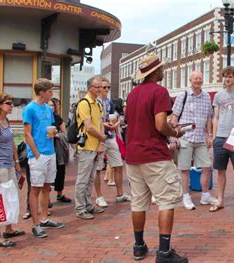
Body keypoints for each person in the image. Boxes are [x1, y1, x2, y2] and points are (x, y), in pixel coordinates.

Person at [125, 53, 187, 262]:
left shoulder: (132, 93)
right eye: (161, 68)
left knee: (138, 202)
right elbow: (160, 125)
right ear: (155, 71)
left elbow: (134, 122)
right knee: (166, 201)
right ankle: (164, 251)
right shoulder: (160, 91)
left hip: (133, 155)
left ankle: (139, 245)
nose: (163, 70)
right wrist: (176, 132)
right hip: (154, 154)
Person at [23, 78, 65, 238]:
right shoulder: (30, 109)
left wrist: (53, 132)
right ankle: (35, 224)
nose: (51, 94)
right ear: (42, 92)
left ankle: (44, 218)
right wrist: (37, 154)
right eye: (49, 91)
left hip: (50, 152)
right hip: (38, 154)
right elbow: (27, 133)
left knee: (47, 187)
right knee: (35, 189)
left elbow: (49, 128)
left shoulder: (48, 109)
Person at [170, 71, 216, 210]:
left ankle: (205, 195)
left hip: (201, 138)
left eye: (200, 78)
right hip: (186, 138)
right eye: (195, 78)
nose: (198, 81)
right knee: (184, 169)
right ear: (190, 80)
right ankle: (186, 196)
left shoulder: (207, 97)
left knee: (207, 167)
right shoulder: (183, 96)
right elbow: (174, 118)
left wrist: (209, 135)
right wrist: (173, 137)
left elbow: (209, 117)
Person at [0, 93, 25, 247]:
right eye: (8, 103)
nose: (11, 106)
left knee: (10, 197)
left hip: (8, 165)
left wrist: (16, 162)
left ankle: (9, 228)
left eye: (12, 103)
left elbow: (12, 143)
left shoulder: (5, 121)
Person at [210, 66, 234, 213]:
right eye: (225, 76)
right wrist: (214, 137)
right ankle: (220, 199)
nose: (227, 79)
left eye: (230, 76)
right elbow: (216, 118)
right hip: (221, 136)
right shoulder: (218, 96)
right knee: (220, 170)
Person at [74, 76, 108, 220]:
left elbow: (100, 123)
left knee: (90, 178)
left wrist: (100, 142)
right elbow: (89, 127)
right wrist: (102, 138)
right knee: (83, 179)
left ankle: (88, 205)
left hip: (95, 146)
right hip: (86, 147)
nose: (101, 89)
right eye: (98, 87)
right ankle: (80, 208)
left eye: (101, 86)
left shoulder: (98, 104)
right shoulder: (84, 103)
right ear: (90, 88)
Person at [94, 78, 130, 209]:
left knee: (118, 164)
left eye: (108, 87)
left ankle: (120, 194)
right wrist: (104, 124)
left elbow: (112, 115)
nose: (106, 90)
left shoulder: (109, 102)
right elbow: (93, 122)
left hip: (110, 136)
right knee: (97, 168)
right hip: (98, 137)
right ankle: (99, 197)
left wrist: (115, 123)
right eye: (104, 87)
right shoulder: (94, 102)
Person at [48, 98, 71, 203]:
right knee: (48, 174)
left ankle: (59, 194)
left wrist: (57, 135)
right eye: (49, 105)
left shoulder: (58, 118)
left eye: (52, 105)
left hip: (58, 149)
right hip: (47, 148)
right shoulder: (42, 118)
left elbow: (64, 133)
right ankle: (46, 199)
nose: (51, 107)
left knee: (60, 171)